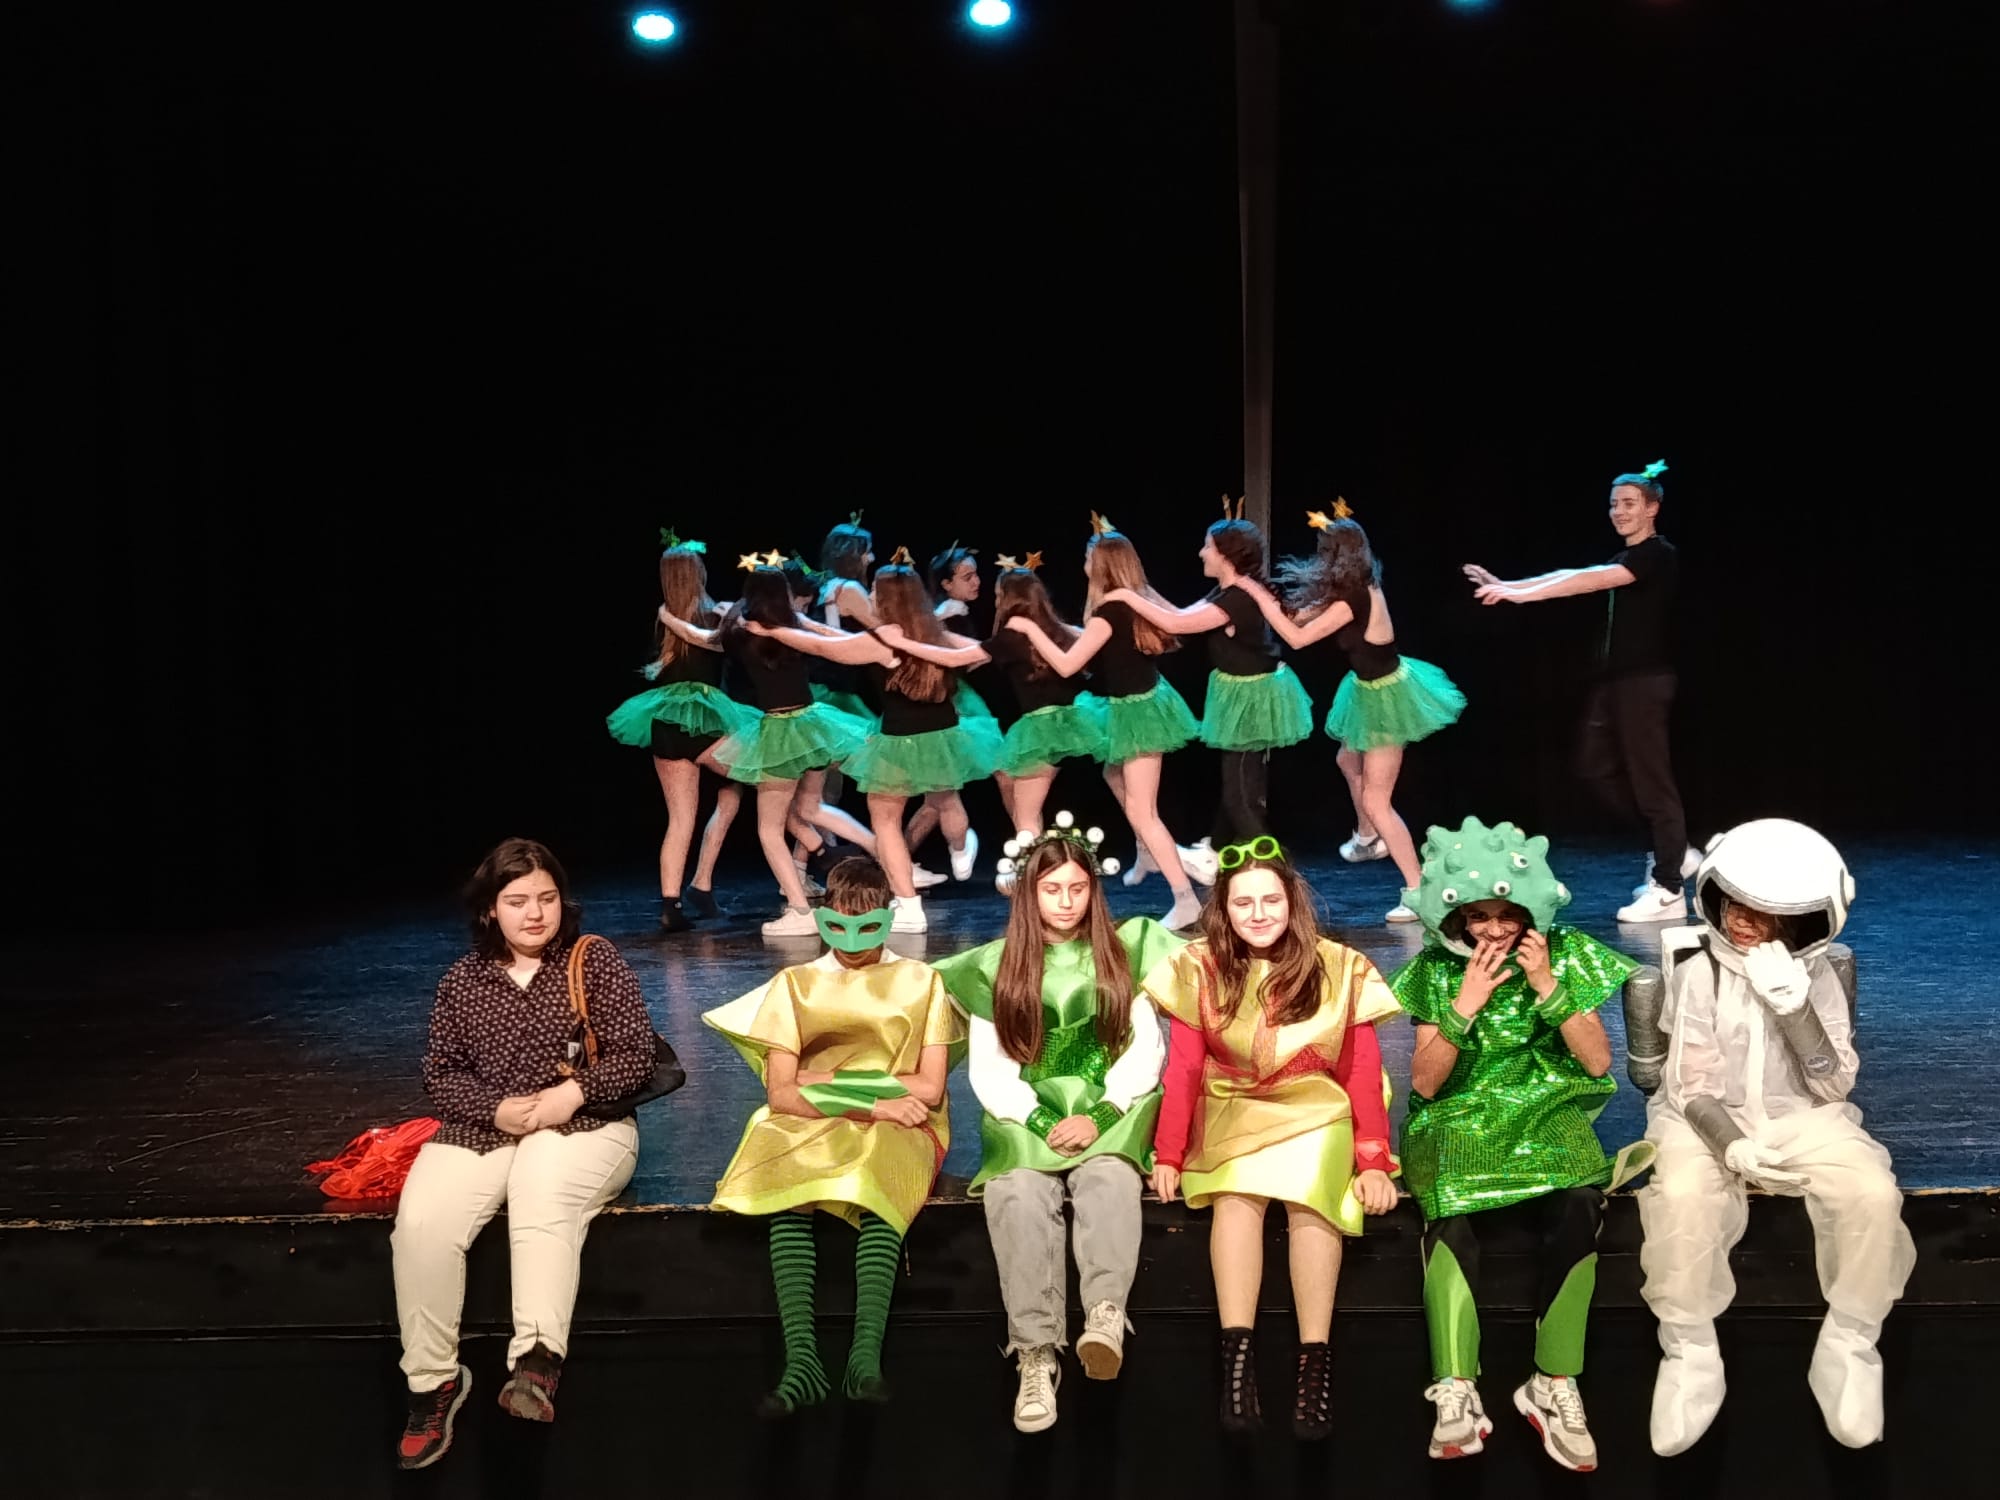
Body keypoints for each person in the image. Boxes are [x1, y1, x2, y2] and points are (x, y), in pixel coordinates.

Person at [1637, 819, 1914, 1453]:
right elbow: (1690, 1085)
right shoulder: (1699, 970)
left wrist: (1797, 1011)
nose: (1743, 920)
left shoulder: (1818, 976)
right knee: (1682, 1197)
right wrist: (1731, 1143)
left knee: (1871, 1194)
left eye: (1765, 912)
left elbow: (1834, 1084)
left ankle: (1850, 1341)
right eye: (1737, 903)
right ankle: (1689, 1348)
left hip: (1800, 1117)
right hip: (1703, 1121)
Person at [390, 839, 654, 1469]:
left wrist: (573, 1093)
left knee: (540, 1185)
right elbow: (441, 1073)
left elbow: (637, 1055)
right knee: (420, 1226)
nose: (535, 913)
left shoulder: (594, 961)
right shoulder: (463, 980)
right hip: (485, 1129)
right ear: (490, 909)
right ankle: (432, 1383)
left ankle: (536, 1364)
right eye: (517, 901)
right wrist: (495, 1109)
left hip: (585, 1125)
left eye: (546, 898)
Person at [1389, 817, 1641, 1473]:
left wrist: (1548, 987)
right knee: (1449, 1202)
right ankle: (1456, 1387)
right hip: (1457, 1113)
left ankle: (1554, 1380)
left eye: (1507, 915)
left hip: (1544, 1104)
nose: (1494, 930)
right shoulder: (1436, 971)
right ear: (1458, 915)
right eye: (1479, 916)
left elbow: (1596, 1062)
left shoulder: (1567, 954)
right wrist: (1464, 1004)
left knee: (1581, 1196)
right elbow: (1425, 1082)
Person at [931, 815, 1181, 1432]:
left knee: (1109, 1181)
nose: (1066, 901)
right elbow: (991, 1069)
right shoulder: (995, 967)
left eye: (1077, 888)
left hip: (1109, 1107)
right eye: (1051, 890)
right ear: (1028, 893)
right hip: (1025, 1111)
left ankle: (1104, 1314)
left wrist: (1103, 1113)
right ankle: (1036, 1351)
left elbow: (1144, 1048)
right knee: (1017, 1193)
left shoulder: (1124, 953)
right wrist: (1041, 1118)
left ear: (1092, 890)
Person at [1143, 841, 1400, 1438]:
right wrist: (1169, 1151)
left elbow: (1361, 1070)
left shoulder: (1341, 966)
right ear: (1223, 909)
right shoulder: (1197, 966)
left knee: (1312, 1196)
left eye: (1270, 901)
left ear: (1292, 903)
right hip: (1232, 1103)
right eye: (1243, 903)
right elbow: (1183, 1067)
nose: (1258, 914)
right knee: (1236, 1196)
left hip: (1315, 1107)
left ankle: (1315, 1367)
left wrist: (1373, 1158)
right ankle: (1237, 1365)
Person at [704, 857, 965, 1412]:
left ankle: (863, 1357)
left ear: (888, 917)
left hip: (904, 1121)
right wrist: (871, 1102)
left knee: (876, 1175)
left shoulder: (923, 982)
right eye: (839, 924)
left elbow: (928, 1088)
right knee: (785, 1171)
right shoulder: (795, 985)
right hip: (819, 1116)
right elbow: (781, 1093)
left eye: (867, 924)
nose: (852, 941)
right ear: (823, 918)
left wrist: (821, 1079)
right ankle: (802, 1361)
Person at [1463, 462, 1697, 923]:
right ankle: (1673, 849)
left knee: (1652, 782)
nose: (1618, 511)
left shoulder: (1657, 554)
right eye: (1613, 504)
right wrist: (1509, 585)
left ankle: (1670, 887)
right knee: (1593, 768)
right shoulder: (1625, 556)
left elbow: (1587, 580)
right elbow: (1577, 571)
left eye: (1629, 503)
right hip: (1615, 682)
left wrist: (1519, 596)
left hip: (1644, 681)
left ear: (1652, 508)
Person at [737, 551, 1002, 932]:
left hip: (900, 741)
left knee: (886, 820)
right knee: (945, 799)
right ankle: (959, 846)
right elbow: (975, 654)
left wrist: (774, 630)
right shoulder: (932, 633)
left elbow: (828, 649)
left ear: (890, 599)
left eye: (876, 591)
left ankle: (909, 907)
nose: (871, 595)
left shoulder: (883, 641)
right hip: (944, 735)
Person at [1235, 504, 1464, 924]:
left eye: (1323, 552)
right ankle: (1368, 836)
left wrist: (1255, 594)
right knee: (1346, 758)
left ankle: (1418, 891)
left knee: (1378, 800)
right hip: (1367, 689)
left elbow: (1297, 639)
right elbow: (1298, 616)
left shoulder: (1355, 596)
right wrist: (1266, 597)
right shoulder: (1351, 590)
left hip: (1386, 698)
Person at [1004, 516, 1212, 931]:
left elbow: (1068, 665)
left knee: (1142, 810)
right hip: (1140, 705)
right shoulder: (1132, 600)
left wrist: (1029, 628)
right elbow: (1096, 637)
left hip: (1137, 714)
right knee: (1113, 773)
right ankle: (1150, 853)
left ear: (1099, 565)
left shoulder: (1109, 610)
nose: (1083, 563)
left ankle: (1185, 897)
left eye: (1087, 557)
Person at [660, 561, 872, 936]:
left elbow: (701, 637)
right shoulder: (790, 622)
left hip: (778, 732)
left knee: (770, 829)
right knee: (810, 808)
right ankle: (865, 845)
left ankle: (800, 910)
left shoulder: (745, 630)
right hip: (812, 726)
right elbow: (829, 640)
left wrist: (668, 618)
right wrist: (874, 643)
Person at [1102, 506, 1314, 845]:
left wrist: (1126, 596)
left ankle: (1275, 865)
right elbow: (1181, 613)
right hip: (1242, 693)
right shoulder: (1227, 591)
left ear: (1225, 555)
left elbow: (1177, 624)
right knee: (1238, 787)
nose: (1202, 553)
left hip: (1252, 698)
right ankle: (1216, 848)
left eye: (1208, 546)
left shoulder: (1238, 598)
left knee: (1240, 794)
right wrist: (1141, 589)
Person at [880, 554, 1105, 861]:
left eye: (999, 596)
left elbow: (958, 658)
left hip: (1042, 730)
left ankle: (1034, 872)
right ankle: (1036, 867)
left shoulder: (1013, 633)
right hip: (1071, 719)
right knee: (1024, 802)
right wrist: (941, 633)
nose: (995, 601)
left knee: (1025, 816)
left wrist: (905, 643)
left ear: (1010, 600)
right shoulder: (1048, 629)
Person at [604, 534, 751, 931]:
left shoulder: (664, 619)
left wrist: (671, 620)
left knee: (683, 817)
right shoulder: (709, 614)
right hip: (704, 719)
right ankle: (813, 851)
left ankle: (675, 902)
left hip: (668, 722)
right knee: (764, 774)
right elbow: (717, 645)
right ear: (697, 573)